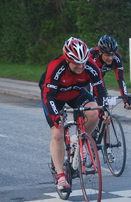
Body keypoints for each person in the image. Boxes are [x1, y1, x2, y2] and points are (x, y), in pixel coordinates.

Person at [39, 37, 108, 191]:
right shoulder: (56, 66)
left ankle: (80, 141)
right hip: (54, 97)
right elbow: (48, 96)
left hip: (75, 93)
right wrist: (56, 117)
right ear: (67, 59)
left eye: (83, 62)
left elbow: (100, 90)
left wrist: (103, 110)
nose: (81, 66)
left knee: (94, 113)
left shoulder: (90, 66)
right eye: (76, 63)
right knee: (57, 132)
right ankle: (61, 176)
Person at [89, 35, 131, 109]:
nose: (110, 58)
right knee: (91, 103)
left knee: (104, 105)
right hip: (86, 80)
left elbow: (120, 79)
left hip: (99, 79)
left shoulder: (116, 58)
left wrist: (125, 99)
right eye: (107, 55)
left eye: (112, 54)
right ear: (100, 52)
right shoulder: (92, 55)